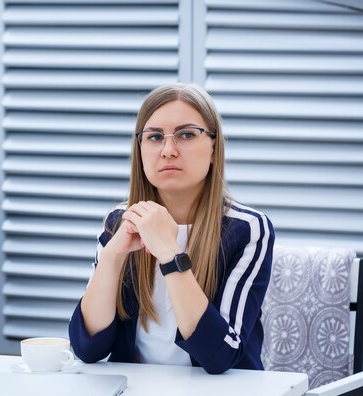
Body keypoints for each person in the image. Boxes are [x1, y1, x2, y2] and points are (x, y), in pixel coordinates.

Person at [68, 83, 275, 376]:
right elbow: (87, 348)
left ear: (215, 148)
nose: (168, 151)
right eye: (154, 137)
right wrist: (113, 255)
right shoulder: (120, 222)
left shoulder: (248, 230)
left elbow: (219, 356)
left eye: (186, 134)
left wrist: (169, 252)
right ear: (140, 149)